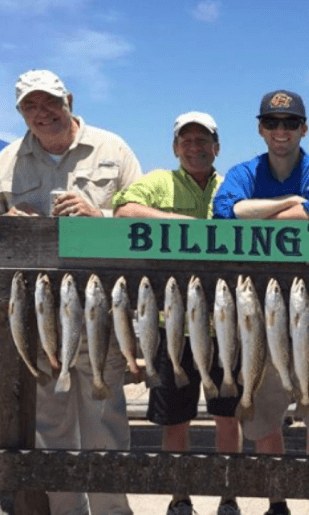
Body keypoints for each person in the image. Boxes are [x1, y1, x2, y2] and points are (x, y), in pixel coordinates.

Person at [0, 69, 141, 515]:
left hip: (101, 309)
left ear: (69, 99)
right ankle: (67, 511)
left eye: (50, 103)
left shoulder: (113, 148)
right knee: (51, 423)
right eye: (30, 105)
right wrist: (7, 226)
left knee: (106, 423)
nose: (41, 113)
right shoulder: (7, 160)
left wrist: (98, 214)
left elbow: (139, 222)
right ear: (21, 112)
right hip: (35, 314)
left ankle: (110, 511)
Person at [213, 90, 309, 515]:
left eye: (289, 123)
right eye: (272, 123)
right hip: (259, 314)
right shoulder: (244, 171)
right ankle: (277, 502)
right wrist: (290, 203)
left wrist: (259, 213)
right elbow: (224, 211)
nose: (281, 131)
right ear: (260, 129)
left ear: (304, 128)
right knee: (263, 416)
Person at [112, 111, 242, 515]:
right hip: (170, 327)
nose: (195, 147)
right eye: (186, 141)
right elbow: (124, 211)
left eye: (203, 140)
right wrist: (179, 221)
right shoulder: (157, 182)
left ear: (217, 147)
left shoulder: (233, 185)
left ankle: (229, 496)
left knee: (227, 416)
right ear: (175, 148)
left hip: (226, 323)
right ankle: (179, 498)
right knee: (175, 419)